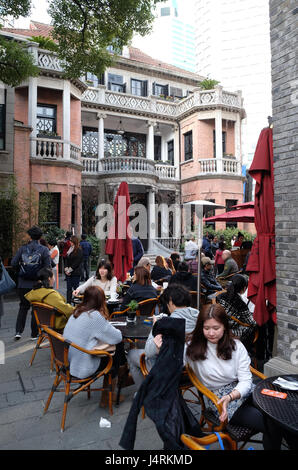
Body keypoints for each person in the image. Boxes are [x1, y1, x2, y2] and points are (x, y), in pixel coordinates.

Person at [185, 303, 298, 450]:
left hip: (241, 390)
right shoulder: (192, 346)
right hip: (219, 399)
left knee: (282, 411)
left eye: (216, 328)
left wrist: (232, 395)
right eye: (206, 328)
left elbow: (245, 381)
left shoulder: (235, 346)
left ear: (225, 326)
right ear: (201, 327)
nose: (211, 333)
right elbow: (169, 358)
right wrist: (157, 344)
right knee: (273, 423)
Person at [127, 284, 199, 388]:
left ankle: (144, 394)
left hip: (169, 373)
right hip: (193, 372)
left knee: (131, 354)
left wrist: (155, 327)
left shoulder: (167, 323)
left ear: (170, 302)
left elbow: (149, 351)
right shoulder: (200, 316)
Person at [63, 286, 125, 405]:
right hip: (82, 365)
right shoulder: (94, 316)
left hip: (68, 361)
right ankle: (108, 395)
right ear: (101, 300)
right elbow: (117, 337)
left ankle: (121, 378)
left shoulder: (76, 312)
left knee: (115, 349)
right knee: (117, 350)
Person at [11, 225, 51, 341]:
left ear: (30, 236)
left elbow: (14, 263)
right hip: (37, 284)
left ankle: (18, 331)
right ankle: (34, 334)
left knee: (23, 307)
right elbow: (47, 268)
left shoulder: (22, 249)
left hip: (23, 283)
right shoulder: (44, 250)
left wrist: (21, 271)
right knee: (35, 309)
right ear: (40, 237)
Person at [216, 274, 256, 350]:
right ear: (244, 288)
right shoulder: (240, 303)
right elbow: (251, 322)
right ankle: (247, 350)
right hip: (231, 331)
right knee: (255, 326)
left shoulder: (220, 296)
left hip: (219, 325)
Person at [64, 235, 83, 304]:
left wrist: (69, 270)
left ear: (74, 241)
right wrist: (66, 269)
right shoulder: (70, 249)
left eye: (71, 241)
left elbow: (77, 262)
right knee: (68, 289)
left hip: (75, 272)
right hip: (68, 273)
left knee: (76, 289)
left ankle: (76, 303)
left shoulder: (79, 250)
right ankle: (68, 303)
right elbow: (66, 259)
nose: (69, 242)